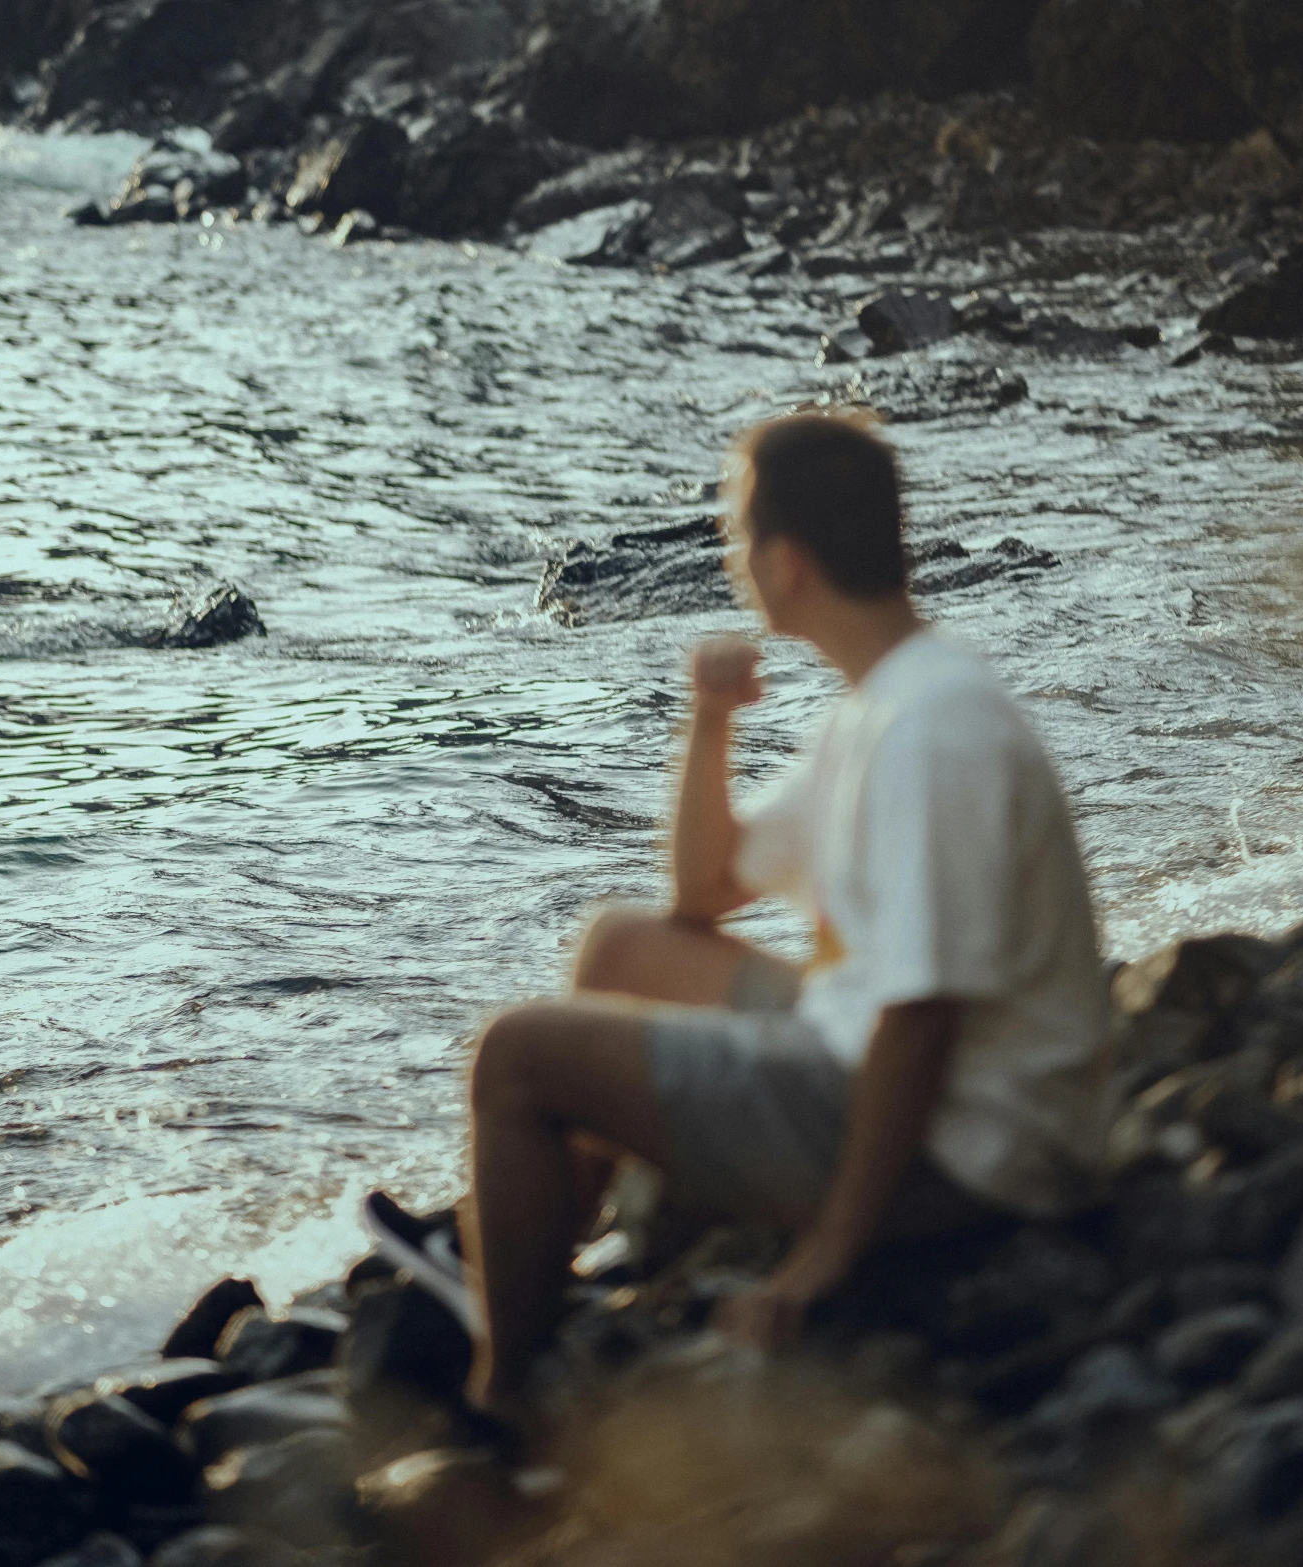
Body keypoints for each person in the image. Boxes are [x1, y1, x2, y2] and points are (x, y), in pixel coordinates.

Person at [455, 410, 1110, 1428]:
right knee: (619, 945)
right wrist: (711, 720)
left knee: (514, 1054)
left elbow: (921, 1017)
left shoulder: (932, 733)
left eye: (734, 533)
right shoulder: (883, 703)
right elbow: (702, 893)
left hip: (969, 1146)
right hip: (891, 1066)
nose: (728, 557)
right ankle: (560, 1239)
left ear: (789, 561)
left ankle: (504, 1398)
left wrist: (823, 1260)